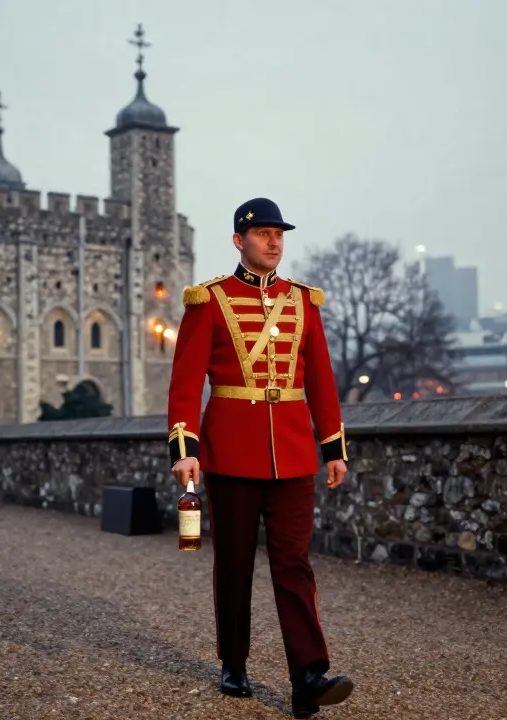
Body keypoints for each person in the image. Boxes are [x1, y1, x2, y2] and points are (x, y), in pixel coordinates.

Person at [167, 197, 354, 717]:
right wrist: (186, 449)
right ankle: (234, 661)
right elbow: (185, 383)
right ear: (238, 241)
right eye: (263, 233)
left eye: (280, 234)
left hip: (293, 454)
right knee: (234, 565)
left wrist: (332, 446)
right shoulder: (208, 300)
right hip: (230, 454)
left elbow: (320, 378)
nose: (274, 242)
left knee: (294, 564)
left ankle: (309, 677)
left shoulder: (302, 301)